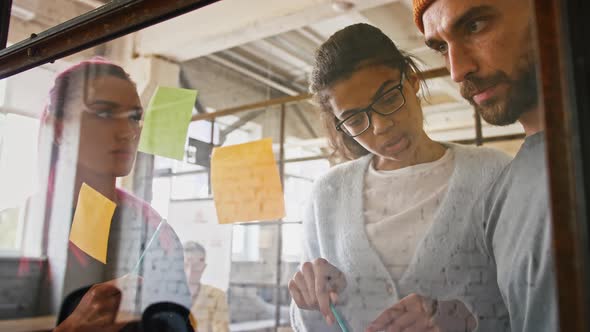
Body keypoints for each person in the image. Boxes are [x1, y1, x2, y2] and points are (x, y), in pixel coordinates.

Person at [288, 23, 512, 332]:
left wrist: (464, 318)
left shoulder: (492, 174)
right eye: (355, 119)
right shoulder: (328, 192)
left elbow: (537, 302)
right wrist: (309, 300)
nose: (380, 126)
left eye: (389, 98)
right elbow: (309, 326)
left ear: (413, 80)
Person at [365, 1, 558, 331]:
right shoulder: (500, 196)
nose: (457, 70)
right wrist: (453, 320)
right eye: (441, 47)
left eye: (475, 26)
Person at [27, 58, 192, 331]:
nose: (128, 132)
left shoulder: (154, 232)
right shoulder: (26, 228)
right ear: (58, 128)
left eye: (135, 117)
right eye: (103, 113)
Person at [184, 241, 230, 332]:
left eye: (196, 265)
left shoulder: (217, 296)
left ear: (203, 266)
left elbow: (221, 329)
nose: (190, 271)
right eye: (186, 264)